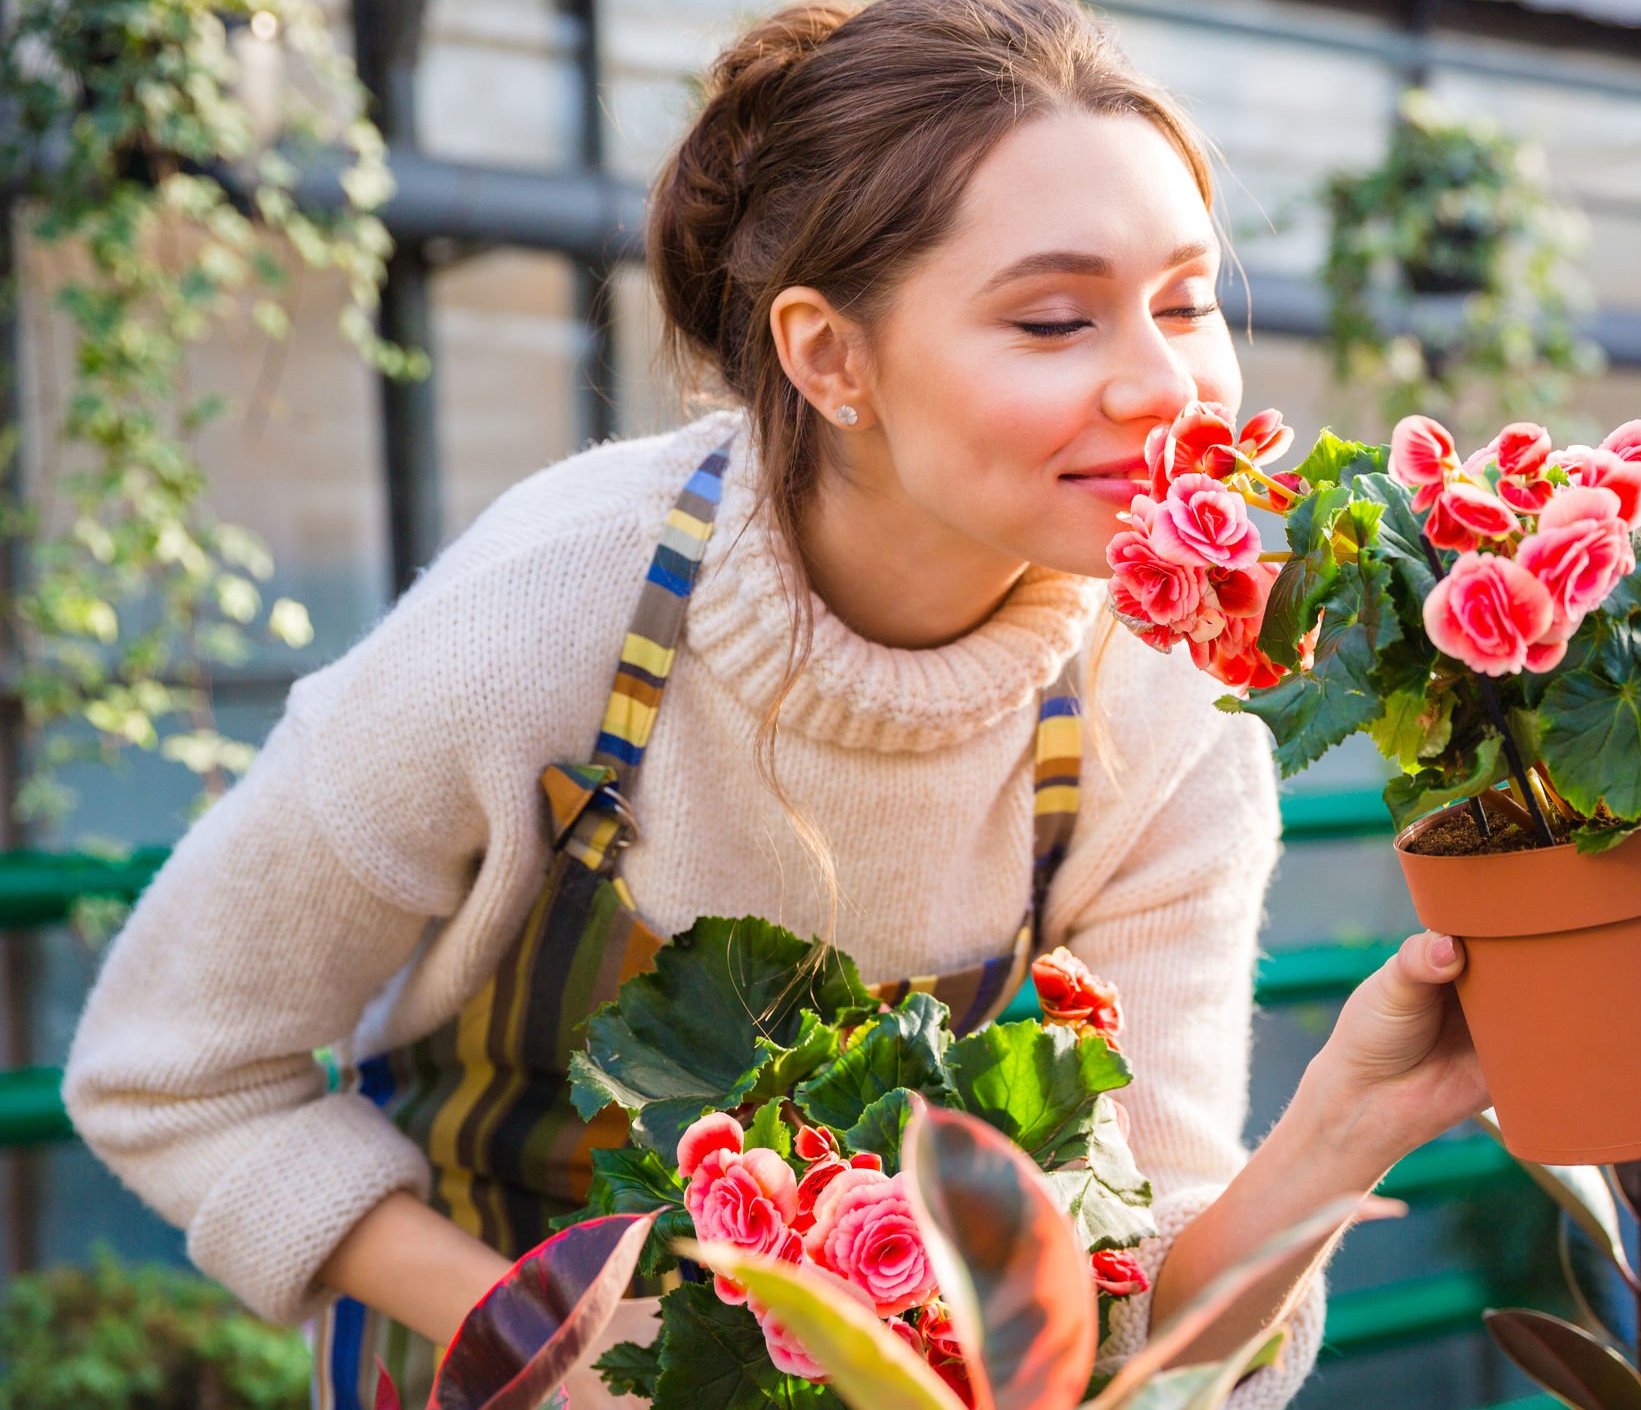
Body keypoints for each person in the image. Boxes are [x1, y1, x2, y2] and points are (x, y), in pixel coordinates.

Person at [59, 1, 1490, 1405]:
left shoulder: (1168, 710)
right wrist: (547, 1338)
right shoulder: (547, 612)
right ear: (828, 356)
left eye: (1186, 300)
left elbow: (1137, 1317)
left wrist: (1344, 1129)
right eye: (1057, 319)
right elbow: (170, 1071)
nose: (1168, 385)